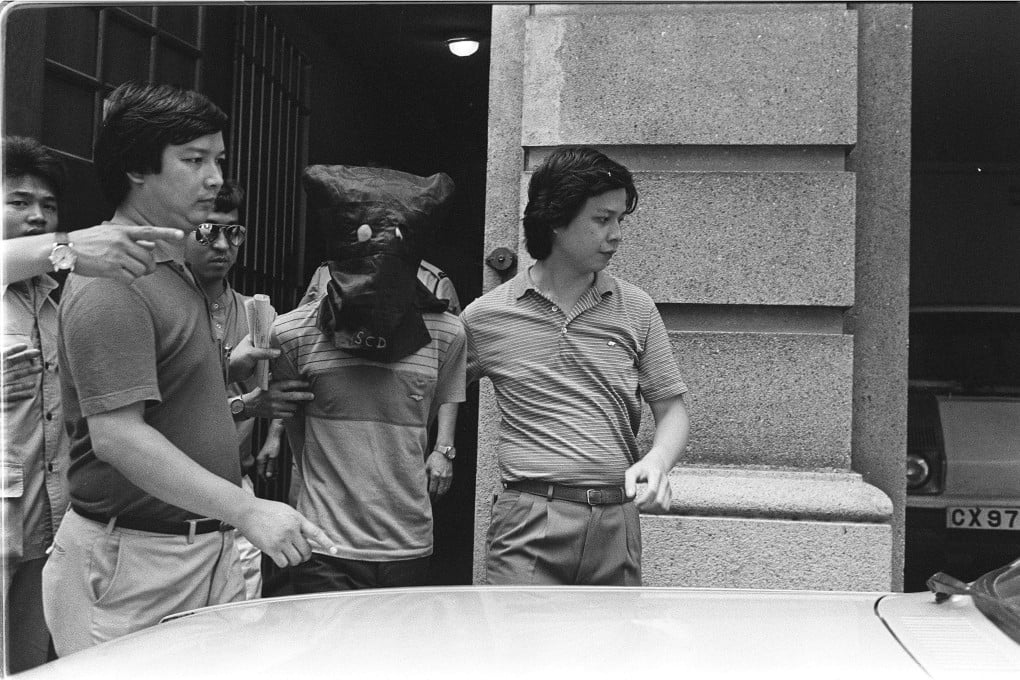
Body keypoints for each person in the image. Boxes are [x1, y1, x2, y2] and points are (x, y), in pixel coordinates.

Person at [41, 81, 337, 656]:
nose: (215, 178)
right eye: (194, 160)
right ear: (136, 170)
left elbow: (169, 398)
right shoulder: (113, 278)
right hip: (134, 562)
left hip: (205, 549)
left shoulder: (178, 271)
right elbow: (119, 437)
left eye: (218, 160)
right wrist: (248, 508)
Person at [462, 146, 691, 586]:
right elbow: (425, 392)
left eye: (620, 220)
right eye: (602, 219)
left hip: (615, 521)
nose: (617, 234)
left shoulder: (636, 308)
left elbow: (673, 409)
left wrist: (659, 461)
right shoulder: (485, 317)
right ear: (555, 219)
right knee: (522, 653)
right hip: (528, 520)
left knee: (616, 653)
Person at [273, 164, 465, 592]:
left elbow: (432, 409)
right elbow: (294, 424)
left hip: (408, 543)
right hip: (324, 542)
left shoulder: (448, 334)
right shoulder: (290, 335)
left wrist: (442, 449)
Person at [183, 179, 313, 599]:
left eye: (233, 232)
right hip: (174, 483)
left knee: (239, 627)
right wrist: (242, 402)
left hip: (237, 484)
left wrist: (274, 427)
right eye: (208, 231)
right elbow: (162, 407)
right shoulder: (167, 306)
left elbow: (274, 386)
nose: (222, 244)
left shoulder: (256, 311)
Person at [1, 136, 69, 673]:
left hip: (49, 512)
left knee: (29, 662)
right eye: (18, 201)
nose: (36, 216)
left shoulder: (53, 296)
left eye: (47, 205)